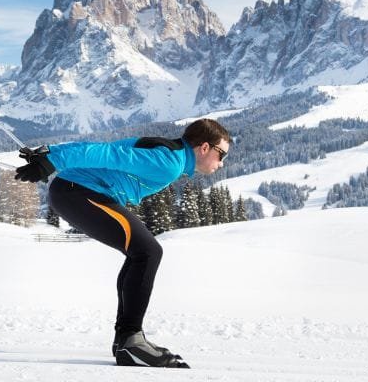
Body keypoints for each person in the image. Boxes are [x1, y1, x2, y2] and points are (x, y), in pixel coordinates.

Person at [15, 118, 230, 369]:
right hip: (78, 193)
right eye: (221, 154)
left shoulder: (170, 151)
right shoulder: (169, 162)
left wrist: (50, 153)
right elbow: (109, 153)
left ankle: (126, 341)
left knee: (141, 253)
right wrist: (54, 160)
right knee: (148, 252)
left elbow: (105, 149)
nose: (221, 162)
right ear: (204, 147)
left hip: (80, 191)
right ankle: (131, 342)